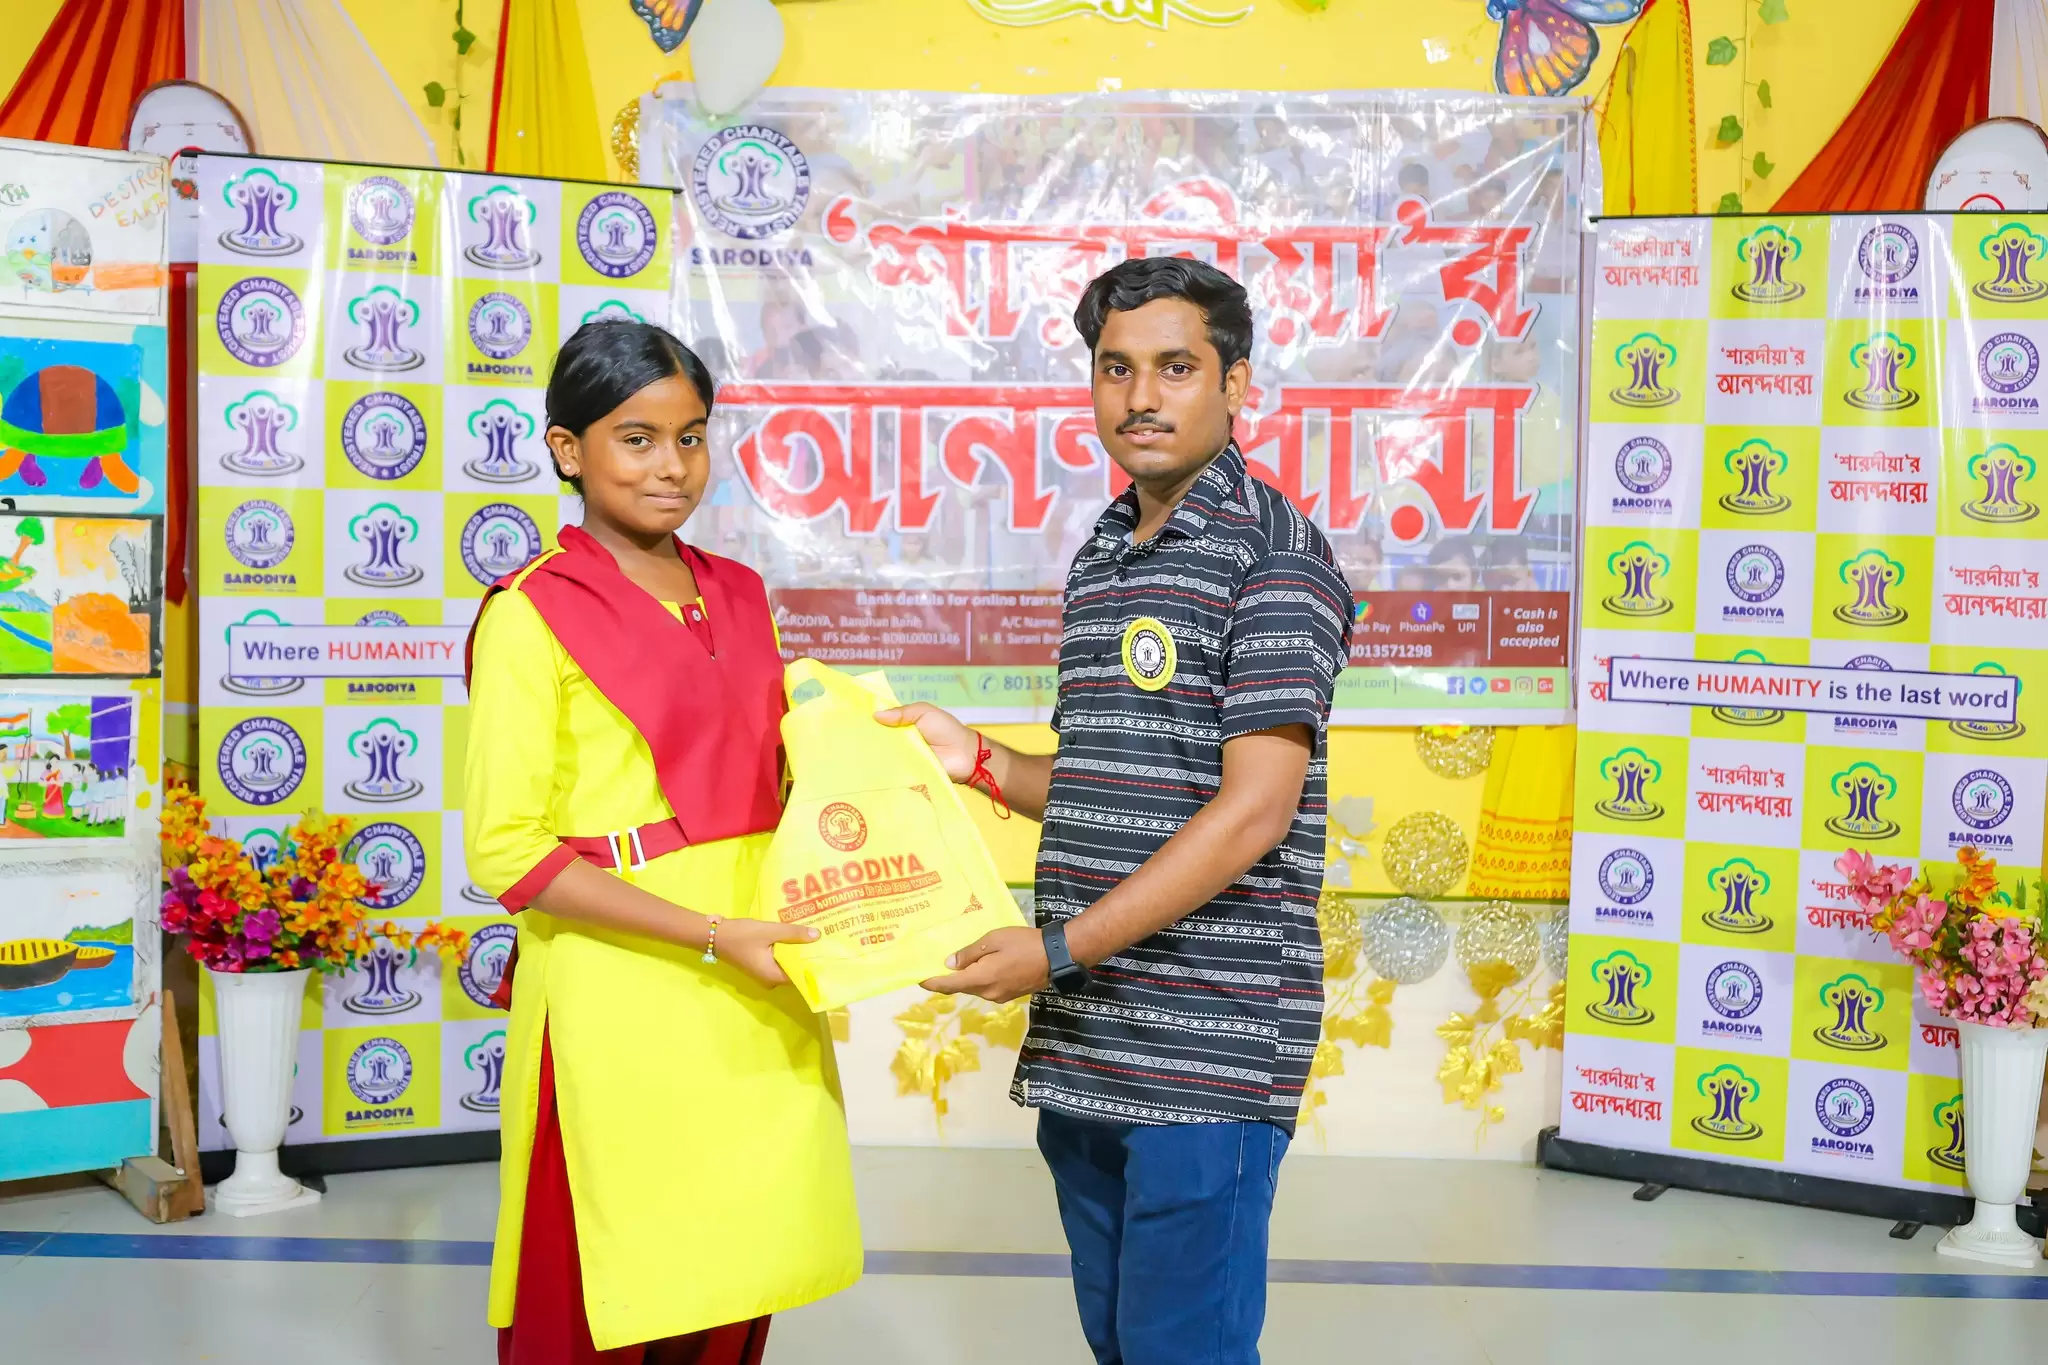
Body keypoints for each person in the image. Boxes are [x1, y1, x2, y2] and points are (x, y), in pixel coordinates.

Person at [882, 257, 1354, 1365]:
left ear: (1236, 384)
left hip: (1209, 1046)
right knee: (1118, 1342)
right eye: (1116, 368)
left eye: (1176, 368)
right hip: (1088, 1038)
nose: (1141, 397)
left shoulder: (1275, 557)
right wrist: (978, 761)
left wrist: (1053, 951)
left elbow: (1252, 814)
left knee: (1182, 1350)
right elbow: (1114, 778)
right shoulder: (1105, 553)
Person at [463, 320, 861, 1365]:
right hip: (620, 988)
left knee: (735, 1271)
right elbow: (508, 851)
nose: (671, 466)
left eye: (690, 437)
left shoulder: (739, 592)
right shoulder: (530, 616)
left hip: (758, 977)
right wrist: (711, 932)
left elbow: (770, 783)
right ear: (567, 450)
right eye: (635, 439)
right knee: (605, 1280)